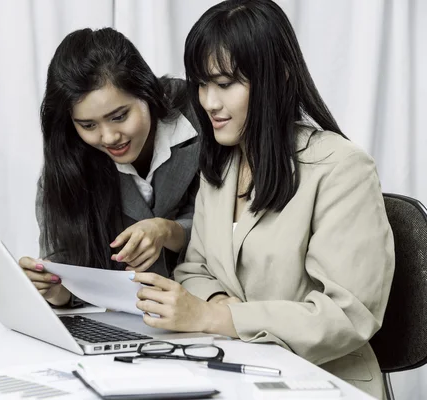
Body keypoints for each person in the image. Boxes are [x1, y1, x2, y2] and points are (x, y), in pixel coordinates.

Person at [130, 1, 394, 398]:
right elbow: (193, 268)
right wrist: (218, 305)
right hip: (234, 370)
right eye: (202, 84)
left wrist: (216, 315)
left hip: (321, 382)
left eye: (225, 84)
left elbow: (346, 314)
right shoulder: (220, 167)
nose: (208, 102)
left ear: (279, 77)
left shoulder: (341, 168)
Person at [19, 27, 201, 308]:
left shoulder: (204, 116)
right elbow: (67, 268)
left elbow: (229, 227)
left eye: (119, 116)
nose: (109, 137)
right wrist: (55, 291)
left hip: (205, 311)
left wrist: (168, 230)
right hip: (124, 321)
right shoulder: (67, 165)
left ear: (147, 92)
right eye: (88, 125)